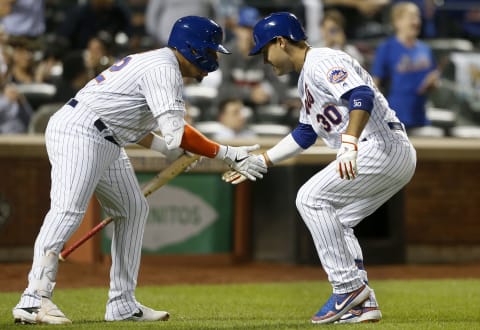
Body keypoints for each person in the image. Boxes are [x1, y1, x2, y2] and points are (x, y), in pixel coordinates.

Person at [12, 15, 266, 325]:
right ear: (193, 48)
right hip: (79, 131)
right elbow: (177, 133)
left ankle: (122, 303)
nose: (213, 58)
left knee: (133, 209)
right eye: (211, 51)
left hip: (105, 135)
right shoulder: (163, 68)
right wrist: (227, 153)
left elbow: (130, 123)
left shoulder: (159, 64)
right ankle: (32, 300)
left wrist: (169, 151)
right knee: (67, 211)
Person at [224, 12, 416, 324]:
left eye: (264, 51)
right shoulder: (307, 77)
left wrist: (350, 143)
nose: (264, 60)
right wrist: (263, 160)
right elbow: (306, 133)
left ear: (281, 42)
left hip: (379, 145)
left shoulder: (321, 60)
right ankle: (362, 304)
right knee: (336, 221)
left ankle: (347, 289)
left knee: (310, 198)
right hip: (386, 151)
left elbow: (361, 95)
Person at [371, 1, 439, 133]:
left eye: (418, 17)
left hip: (420, 117)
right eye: (411, 17)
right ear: (398, 21)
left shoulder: (425, 49)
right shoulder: (387, 48)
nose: (416, 21)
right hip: (394, 119)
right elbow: (375, 84)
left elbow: (434, 80)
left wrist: (432, 83)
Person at [218, 6, 290, 121]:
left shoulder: (266, 54)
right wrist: (249, 94)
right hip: (234, 110)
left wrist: (268, 93)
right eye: (244, 28)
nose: (248, 33)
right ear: (236, 29)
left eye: (252, 29)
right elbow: (223, 88)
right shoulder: (227, 54)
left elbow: (280, 85)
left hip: (260, 110)